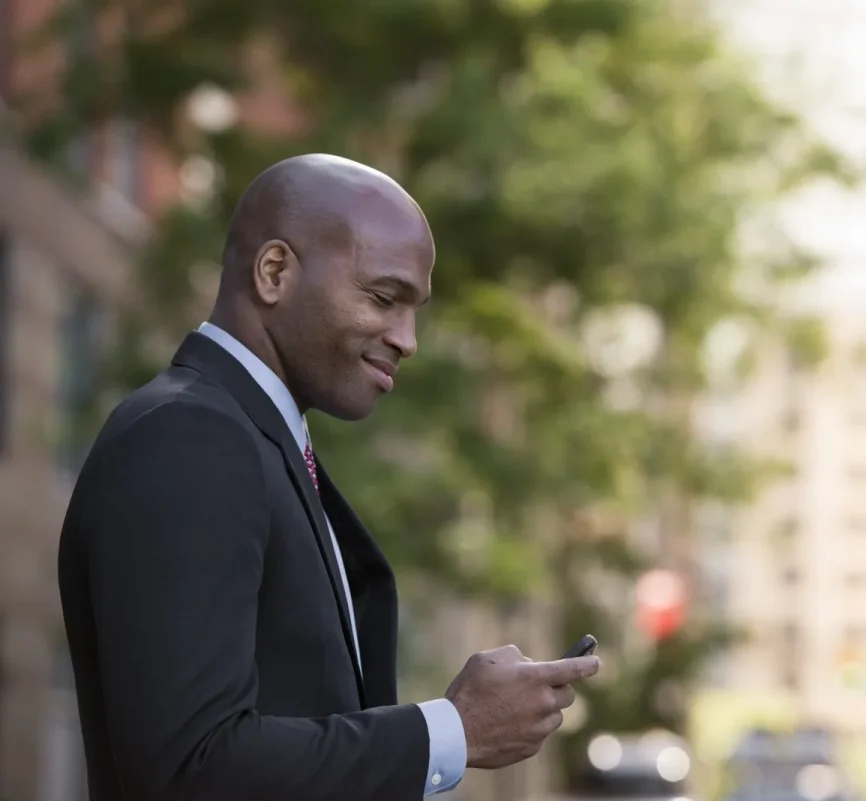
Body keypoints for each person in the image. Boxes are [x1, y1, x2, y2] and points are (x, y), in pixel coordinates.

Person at [57, 153, 601, 801]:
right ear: (275, 271)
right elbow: (190, 765)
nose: (408, 339)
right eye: (383, 297)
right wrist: (451, 731)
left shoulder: (259, 443)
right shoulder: (188, 435)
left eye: (415, 309)